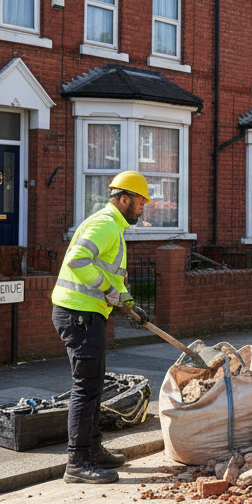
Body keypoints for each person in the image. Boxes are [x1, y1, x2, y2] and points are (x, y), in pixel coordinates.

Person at [51, 171, 150, 484]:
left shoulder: (113, 227)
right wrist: (107, 290)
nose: (142, 208)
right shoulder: (106, 224)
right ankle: (77, 462)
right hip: (78, 314)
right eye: (139, 202)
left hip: (88, 314)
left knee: (94, 387)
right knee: (86, 387)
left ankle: (93, 450)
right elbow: (78, 260)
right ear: (123, 199)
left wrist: (129, 303)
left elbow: (113, 278)